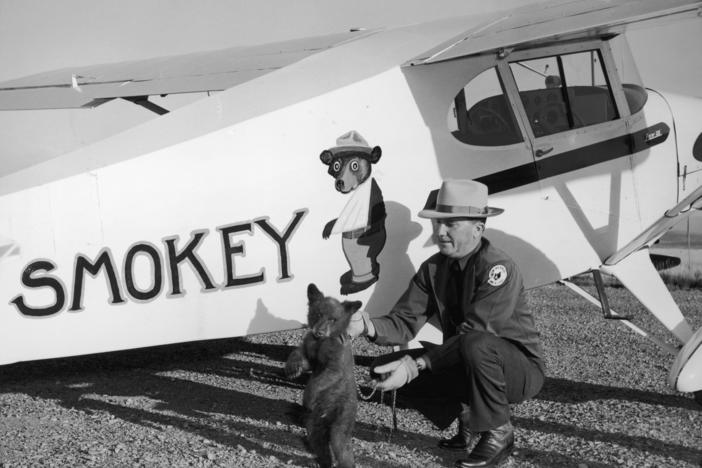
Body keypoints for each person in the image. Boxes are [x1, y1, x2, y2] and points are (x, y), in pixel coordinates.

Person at [348, 179, 544, 468]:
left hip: (516, 371)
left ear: (478, 228)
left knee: (474, 344)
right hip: (466, 357)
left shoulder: (498, 268)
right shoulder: (434, 268)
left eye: (451, 224)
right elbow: (404, 321)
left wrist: (416, 366)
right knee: (381, 368)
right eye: (437, 223)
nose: (439, 232)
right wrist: (367, 326)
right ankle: (468, 420)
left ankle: (499, 431)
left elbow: (476, 333)